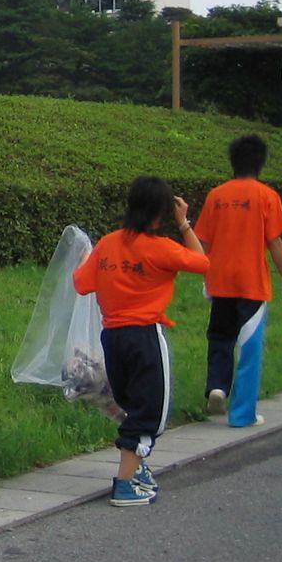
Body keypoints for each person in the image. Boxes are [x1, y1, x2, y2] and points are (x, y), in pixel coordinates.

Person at [73, 176, 209, 506]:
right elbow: (204, 263)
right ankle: (125, 484)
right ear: (161, 213)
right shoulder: (161, 248)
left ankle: (136, 471)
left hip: (113, 337)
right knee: (150, 411)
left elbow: (80, 283)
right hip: (145, 335)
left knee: (132, 404)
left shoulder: (108, 244)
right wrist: (184, 223)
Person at [194, 134, 282, 427]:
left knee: (220, 336)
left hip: (220, 280)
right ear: (260, 163)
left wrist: (206, 276)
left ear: (233, 162)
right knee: (249, 345)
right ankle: (242, 414)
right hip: (252, 282)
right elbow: (274, 241)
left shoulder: (216, 196)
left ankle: (217, 386)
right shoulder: (267, 196)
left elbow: (203, 242)